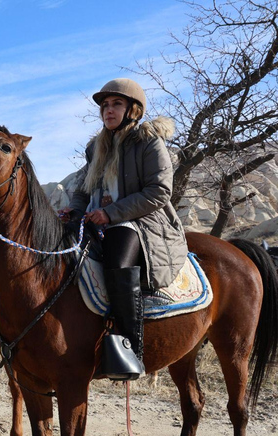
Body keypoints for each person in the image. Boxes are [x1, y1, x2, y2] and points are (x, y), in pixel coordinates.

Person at [59, 78, 188, 381]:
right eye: (105, 105)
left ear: (133, 109)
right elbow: (82, 187)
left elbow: (158, 191)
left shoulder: (148, 142)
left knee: (118, 262)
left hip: (142, 222)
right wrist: (75, 210)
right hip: (98, 218)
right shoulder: (96, 148)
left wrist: (110, 213)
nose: (108, 110)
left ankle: (130, 349)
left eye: (116, 103)